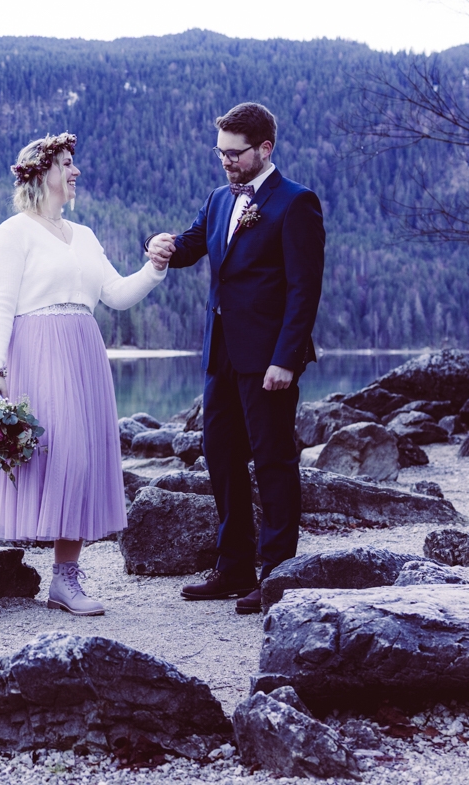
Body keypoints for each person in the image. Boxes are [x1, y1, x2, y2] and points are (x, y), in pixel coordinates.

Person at [0, 132, 171, 615]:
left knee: (79, 458)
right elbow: (0, 308)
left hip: (83, 352)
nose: (75, 171)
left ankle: (65, 580)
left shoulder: (86, 237)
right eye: (68, 163)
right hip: (34, 349)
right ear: (41, 172)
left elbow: (115, 294)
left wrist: (154, 268)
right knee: (37, 449)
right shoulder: (12, 233)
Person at [147, 102, 325, 616]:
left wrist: (286, 358)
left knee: (272, 460)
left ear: (264, 149)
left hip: (269, 358)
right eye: (220, 152)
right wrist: (158, 244)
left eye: (234, 153)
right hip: (220, 352)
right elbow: (191, 245)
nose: (225, 161)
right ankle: (233, 568)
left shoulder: (297, 203)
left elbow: (303, 290)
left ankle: (276, 575)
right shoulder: (219, 199)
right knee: (220, 456)